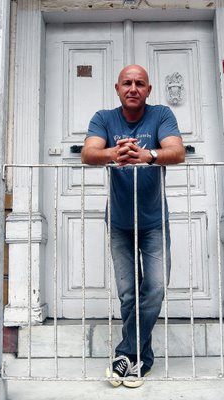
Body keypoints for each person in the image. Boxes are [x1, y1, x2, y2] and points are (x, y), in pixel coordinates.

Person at [81, 64, 185, 388]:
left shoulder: (161, 114)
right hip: (119, 222)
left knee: (155, 288)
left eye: (140, 83)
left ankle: (125, 354)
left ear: (148, 90)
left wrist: (147, 155)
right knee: (128, 295)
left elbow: (177, 151)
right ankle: (140, 360)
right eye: (127, 83)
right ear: (117, 88)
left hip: (154, 222)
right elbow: (88, 153)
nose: (133, 88)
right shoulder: (103, 118)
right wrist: (115, 153)